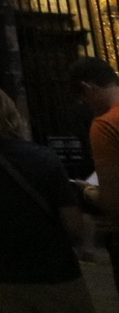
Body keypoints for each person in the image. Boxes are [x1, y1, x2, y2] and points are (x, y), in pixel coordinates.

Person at [0, 84, 90, 313]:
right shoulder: (45, 158)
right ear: (13, 115)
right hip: (56, 270)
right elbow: (73, 224)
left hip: (3, 274)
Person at [74, 56, 119, 297]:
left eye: (84, 100)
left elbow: (113, 202)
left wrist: (89, 191)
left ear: (87, 87)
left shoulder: (105, 125)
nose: (87, 106)